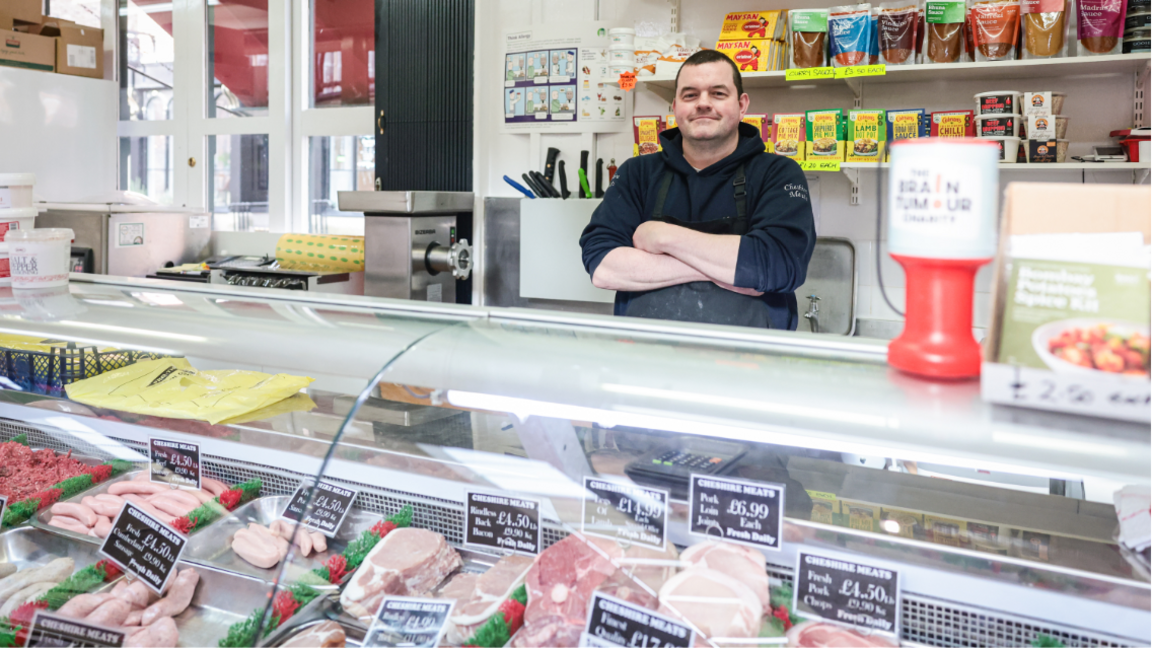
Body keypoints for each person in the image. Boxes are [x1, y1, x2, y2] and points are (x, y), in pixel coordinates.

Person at [579, 50, 816, 329]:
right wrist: (724, 272)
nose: (703, 103)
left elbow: (777, 265)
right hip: (648, 359)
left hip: (751, 362)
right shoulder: (637, 173)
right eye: (690, 95)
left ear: (742, 105)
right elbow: (603, 268)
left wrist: (662, 236)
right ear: (675, 106)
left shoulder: (778, 173)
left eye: (717, 93)